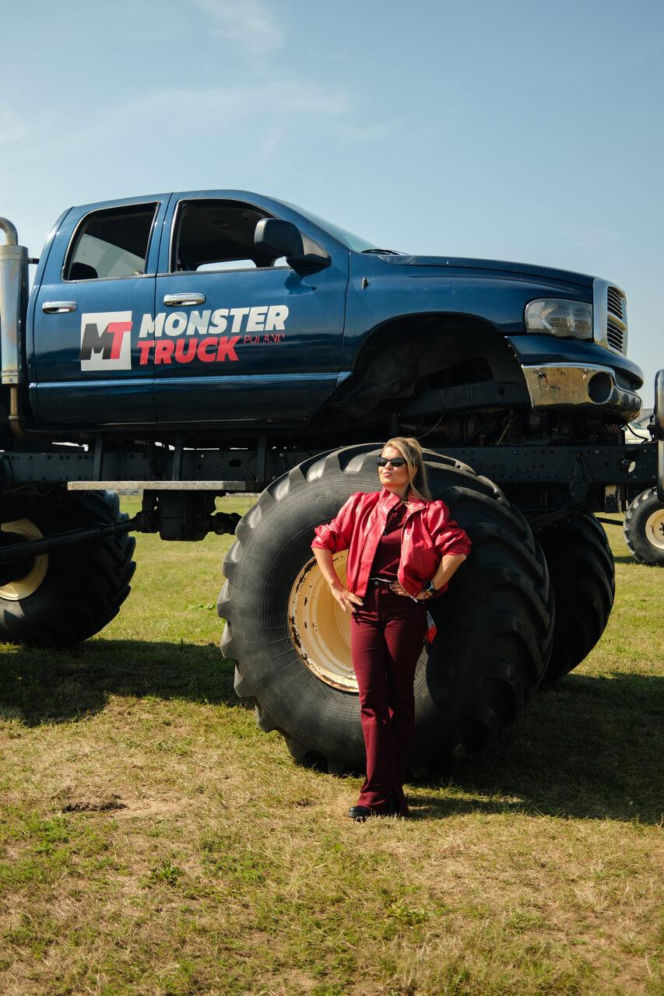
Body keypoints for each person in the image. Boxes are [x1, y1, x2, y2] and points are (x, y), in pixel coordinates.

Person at [311, 437, 471, 820]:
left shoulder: (430, 512)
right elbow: (323, 541)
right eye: (382, 461)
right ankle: (379, 792)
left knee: (400, 700)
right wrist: (335, 586)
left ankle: (387, 791)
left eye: (395, 462)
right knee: (371, 700)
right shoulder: (362, 505)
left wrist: (430, 588)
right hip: (365, 609)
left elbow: (458, 548)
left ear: (412, 468)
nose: (385, 467)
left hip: (405, 609)